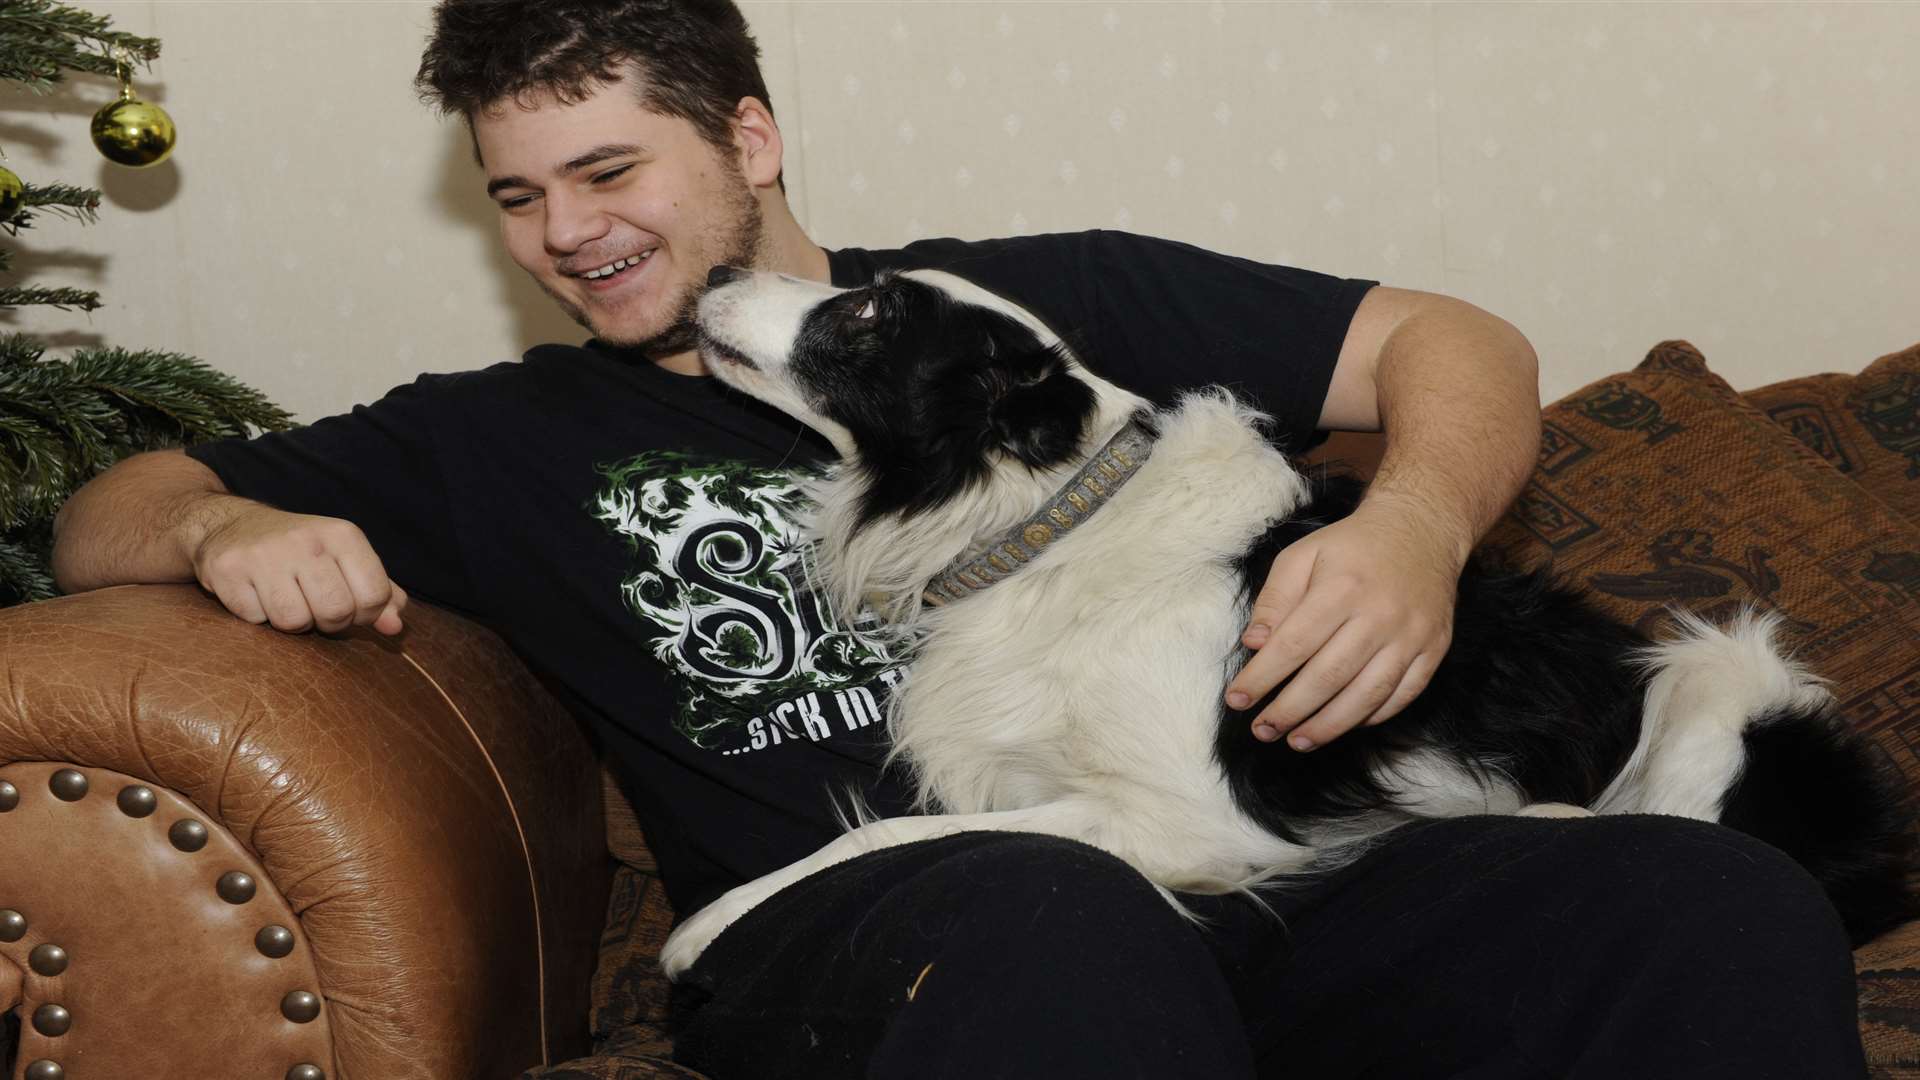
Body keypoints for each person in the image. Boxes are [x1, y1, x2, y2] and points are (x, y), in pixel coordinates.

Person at [51, 2, 1868, 1077]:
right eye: (521, 195)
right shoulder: (497, 435)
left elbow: (1455, 345)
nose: (568, 233)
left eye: (612, 172)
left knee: (1701, 900)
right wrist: (219, 525)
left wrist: (1411, 525)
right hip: (907, 927)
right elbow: (98, 509)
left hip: (1262, 879)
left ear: (747, 133)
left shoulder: (1041, 313)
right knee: (1047, 906)